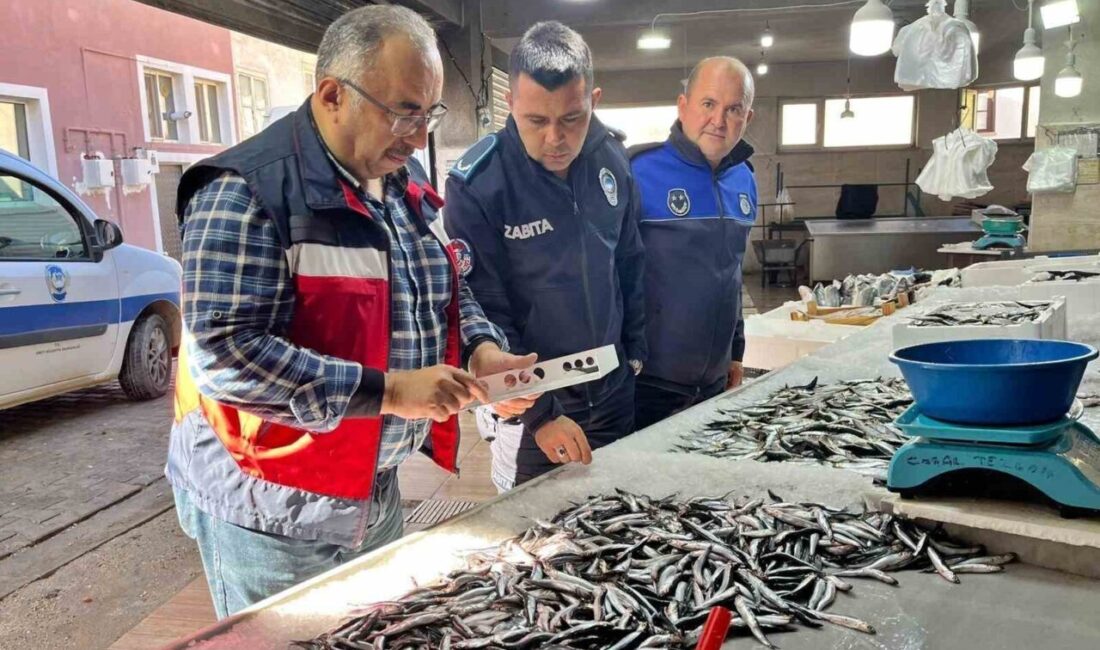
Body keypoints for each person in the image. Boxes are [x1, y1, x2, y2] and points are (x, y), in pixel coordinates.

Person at [165, 5, 534, 618]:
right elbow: (225, 357)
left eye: (429, 113)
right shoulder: (245, 192)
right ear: (333, 94)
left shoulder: (396, 174)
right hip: (271, 507)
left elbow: (443, 283)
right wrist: (388, 392)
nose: (419, 137)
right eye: (403, 111)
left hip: (371, 486)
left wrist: (481, 350)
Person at [444, 21, 646, 491]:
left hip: (614, 389)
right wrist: (541, 415)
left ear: (593, 101)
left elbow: (630, 264)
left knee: (618, 520)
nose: (556, 138)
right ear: (510, 102)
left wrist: (635, 357)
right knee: (533, 540)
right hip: (533, 409)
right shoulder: (478, 184)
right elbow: (483, 310)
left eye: (572, 118)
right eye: (536, 120)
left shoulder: (613, 160)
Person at [628, 56, 758, 431]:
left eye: (733, 109)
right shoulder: (636, 171)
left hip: (715, 381)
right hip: (648, 384)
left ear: (746, 118)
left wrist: (736, 352)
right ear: (683, 106)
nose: (719, 120)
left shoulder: (744, 180)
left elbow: (731, 275)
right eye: (708, 104)